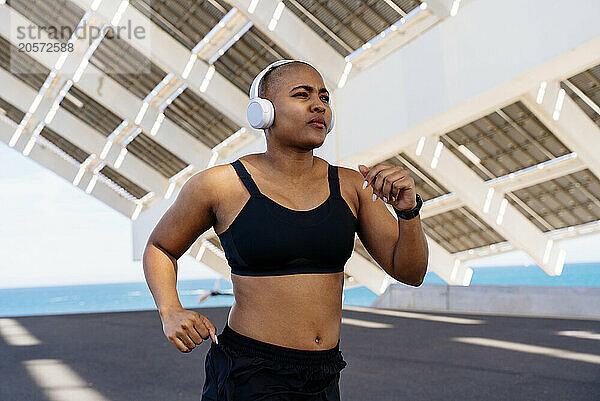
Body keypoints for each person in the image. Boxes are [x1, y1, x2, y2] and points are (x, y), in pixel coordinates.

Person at [142, 59, 429, 400]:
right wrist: (170, 310)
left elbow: (410, 272)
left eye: (324, 96)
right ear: (263, 112)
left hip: (324, 374)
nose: (318, 104)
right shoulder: (220, 185)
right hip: (251, 372)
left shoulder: (352, 186)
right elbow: (161, 247)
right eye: (301, 94)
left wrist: (408, 211)